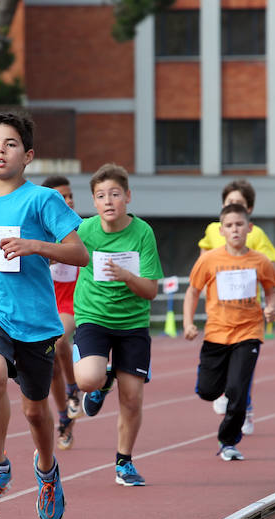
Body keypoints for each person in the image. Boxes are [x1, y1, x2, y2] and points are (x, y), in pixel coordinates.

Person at [0, 112, 88, 519]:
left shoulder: (42, 200)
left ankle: (47, 471)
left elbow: (79, 254)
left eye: (9, 144)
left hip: (35, 319)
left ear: (27, 155)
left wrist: (35, 245)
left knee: (34, 411)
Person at [73, 163, 164, 486]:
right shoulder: (84, 231)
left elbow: (151, 290)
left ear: (127, 196)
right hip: (93, 317)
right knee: (87, 380)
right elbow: (59, 253)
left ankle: (124, 462)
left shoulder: (142, 233)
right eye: (101, 195)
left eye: (114, 194)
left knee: (132, 398)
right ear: (94, 203)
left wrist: (127, 276)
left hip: (133, 323)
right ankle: (102, 378)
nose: (108, 201)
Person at [183, 203, 275, 460]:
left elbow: (271, 290)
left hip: (249, 333)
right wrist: (188, 323)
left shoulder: (260, 261)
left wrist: (270, 308)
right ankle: (220, 383)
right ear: (221, 230)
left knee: (238, 390)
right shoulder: (209, 260)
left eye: (239, 224)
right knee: (208, 391)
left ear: (249, 228)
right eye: (229, 225)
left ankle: (228, 442)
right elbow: (193, 291)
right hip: (216, 334)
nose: (234, 229)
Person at [197, 179, 275, 433]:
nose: (233, 207)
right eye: (229, 203)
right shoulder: (214, 229)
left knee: (242, 371)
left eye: (239, 204)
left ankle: (246, 407)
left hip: (247, 313)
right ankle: (226, 392)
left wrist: (269, 303)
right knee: (218, 375)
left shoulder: (256, 235)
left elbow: (270, 265)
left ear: (249, 211)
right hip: (219, 312)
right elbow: (203, 260)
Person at [42, 175, 82, 450]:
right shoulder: (37, 229)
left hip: (72, 304)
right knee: (50, 365)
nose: (67, 201)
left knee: (59, 339)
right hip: (44, 303)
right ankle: (63, 416)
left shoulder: (79, 229)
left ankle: (73, 388)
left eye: (69, 197)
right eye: (61, 198)